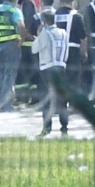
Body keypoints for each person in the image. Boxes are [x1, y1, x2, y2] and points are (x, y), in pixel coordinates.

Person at [32, 9, 70, 137]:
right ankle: (64, 128)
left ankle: (47, 127)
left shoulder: (45, 33)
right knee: (62, 99)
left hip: (47, 69)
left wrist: (38, 35)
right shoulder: (63, 32)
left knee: (46, 98)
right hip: (61, 67)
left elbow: (34, 49)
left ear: (43, 22)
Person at [14, 0, 42, 101]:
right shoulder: (35, 0)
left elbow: (25, 22)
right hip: (36, 40)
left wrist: (23, 37)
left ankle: (22, 97)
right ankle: (36, 98)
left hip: (27, 42)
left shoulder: (26, 3)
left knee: (21, 72)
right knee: (34, 72)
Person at [54, 0, 88, 92]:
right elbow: (83, 37)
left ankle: (60, 102)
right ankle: (73, 102)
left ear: (60, 2)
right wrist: (84, 52)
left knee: (60, 77)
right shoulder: (77, 16)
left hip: (57, 50)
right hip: (73, 49)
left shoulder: (54, 15)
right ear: (72, 2)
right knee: (73, 77)